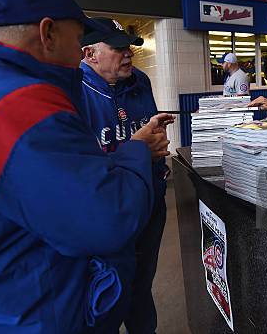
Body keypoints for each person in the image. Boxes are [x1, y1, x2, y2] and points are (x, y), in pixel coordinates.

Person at [0, 0, 173, 333]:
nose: (79, 52)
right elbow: (106, 218)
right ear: (48, 33)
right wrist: (137, 151)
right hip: (29, 313)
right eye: (78, 38)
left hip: (14, 300)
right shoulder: (14, 103)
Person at [78, 17, 168, 333]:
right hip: (105, 214)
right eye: (118, 48)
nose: (128, 53)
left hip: (148, 202)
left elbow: (147, 136)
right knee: (108, 294)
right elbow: (78, 169)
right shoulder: (72, 90)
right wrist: (136, 147)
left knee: (141, 287)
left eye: (128, 46)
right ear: (90, 53)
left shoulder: (139, 80)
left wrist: (155, 146)